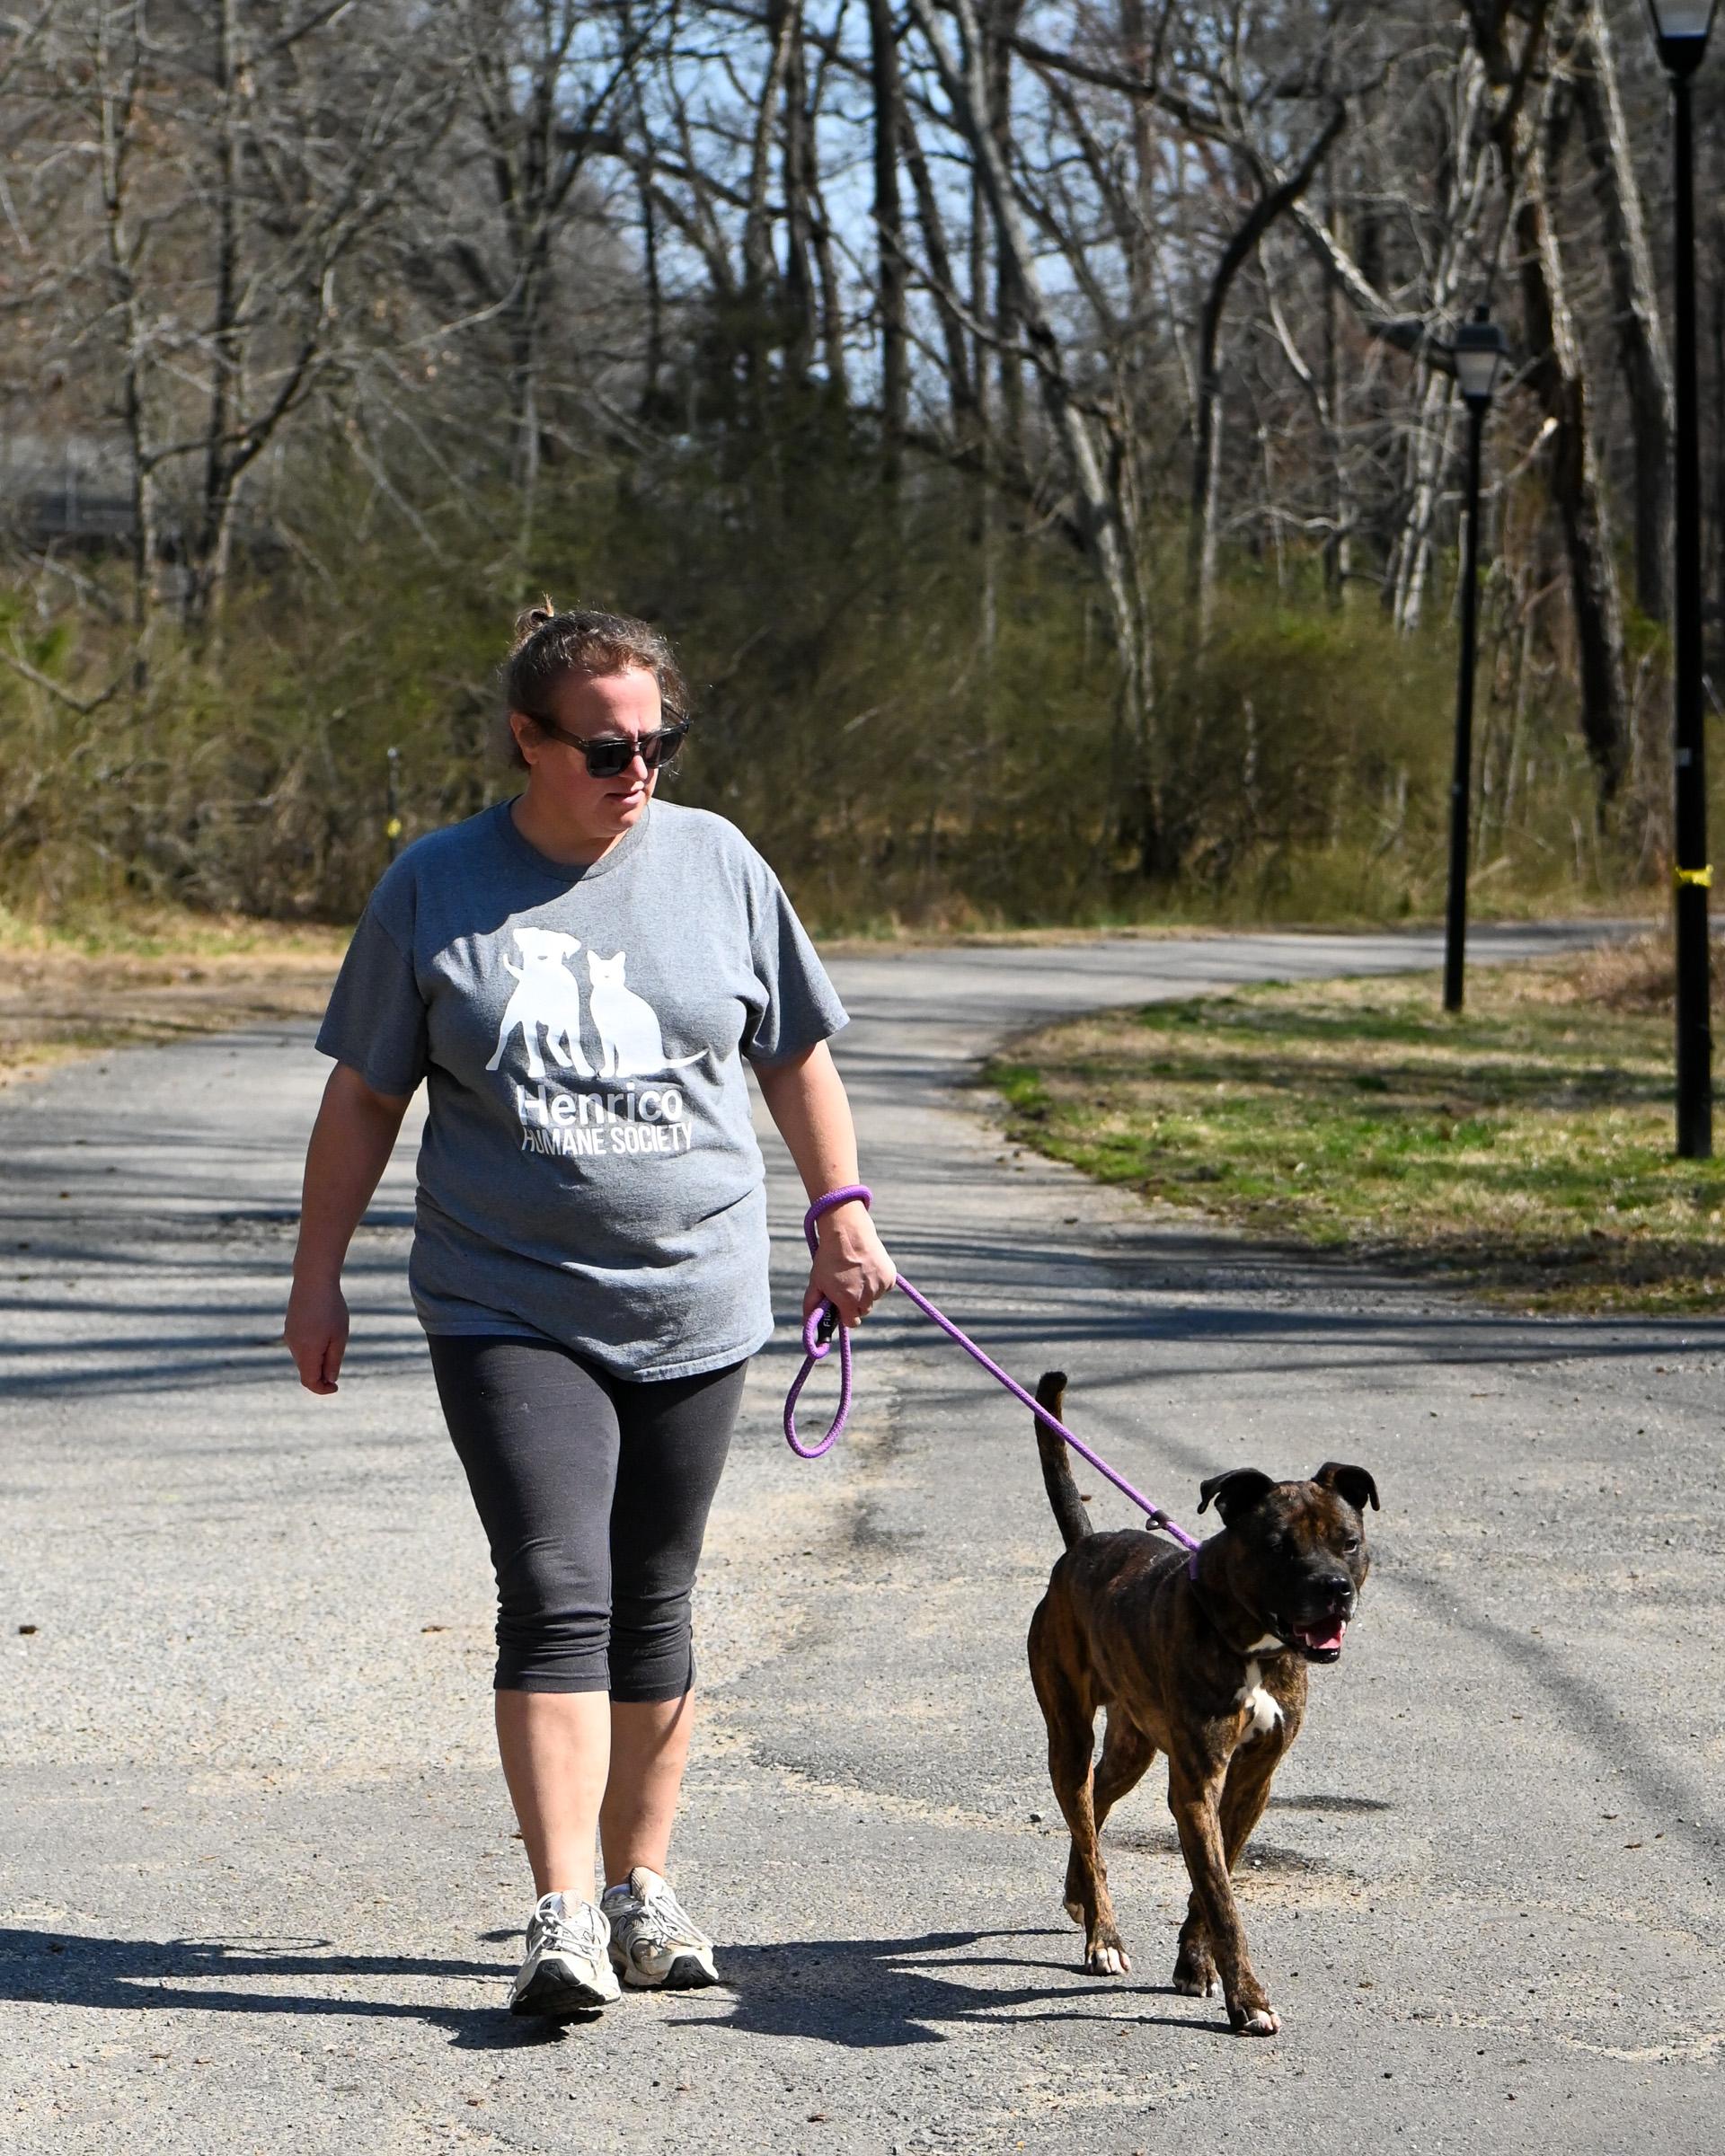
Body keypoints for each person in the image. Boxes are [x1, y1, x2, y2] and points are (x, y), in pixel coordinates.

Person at [283, 604, 894, 2018]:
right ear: (529, 741)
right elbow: (364, 1094)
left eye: (659, 744)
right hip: (508, 1298)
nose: (639, 772)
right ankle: (560, 1913)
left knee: (654, 1596)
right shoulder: (437, 887)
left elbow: (796, 1055)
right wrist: (317, 1276)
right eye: (609, 748)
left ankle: (642, 1889)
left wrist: (839, 1209)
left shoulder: (721, 865)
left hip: (696, 1291)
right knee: (557, 1590)